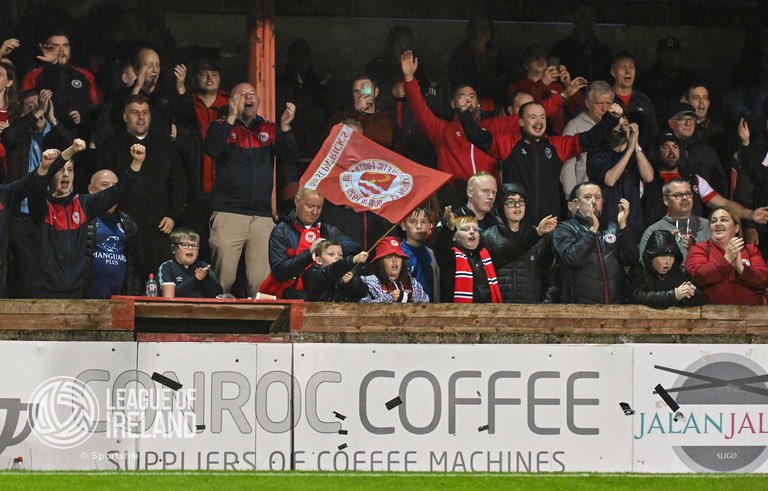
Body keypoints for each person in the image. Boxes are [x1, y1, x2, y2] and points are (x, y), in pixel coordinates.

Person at [400, 50, 583, 205]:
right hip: (455, 199)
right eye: (462, 96)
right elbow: (420, 110)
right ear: (453, 104)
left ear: (478, 104)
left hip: (489, 200)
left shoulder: (493, 127)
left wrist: (563, 95)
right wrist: (409, 79)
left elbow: (530, 116)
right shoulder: (442, 130)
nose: (468, 99)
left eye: (472, 96)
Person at [458, 101, 619, 224]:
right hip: (516, 225)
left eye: (542, 117)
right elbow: (477, 136)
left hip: (550, 223)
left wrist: (611, 119)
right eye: (532, 117)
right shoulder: (507, 143)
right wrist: (464, 114)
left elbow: (590, 139)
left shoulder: (557, 145)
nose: (539, 122)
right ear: (521, 122)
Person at [206, 82, 298, 296]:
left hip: (262, 217)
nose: (248, 97)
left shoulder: (270, 129)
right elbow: (212, 148)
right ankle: (215, 327)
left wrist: (285, 126)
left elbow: (291, 156)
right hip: (229, 213)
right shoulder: (221, 125)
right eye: (242, 94)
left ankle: (259, 329)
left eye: (252, 94)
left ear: (258, 101)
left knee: (261, 284)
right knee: (223, 280)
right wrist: (230, 117)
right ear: (232, 101)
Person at [29, 140, 145, 298]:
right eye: (60, 170)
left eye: (70, 170)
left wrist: (136, 163)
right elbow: (36, 185)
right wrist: (60, 157)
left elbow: (118, 191)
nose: (65, 174)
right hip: (43, 293)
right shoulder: (41, 206)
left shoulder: (83, 204)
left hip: (76, 293)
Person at [97, 94, 187, 280]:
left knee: (158, 282)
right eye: (135, 113)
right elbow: (102, 187)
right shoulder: (110, 147)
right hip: (121, 228)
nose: (141, 117)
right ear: (124, 117)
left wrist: (173, 215)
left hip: (159, 229)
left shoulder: (165, 148)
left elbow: (179, 185)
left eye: (145, 112)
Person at [1, 88, 73, 297]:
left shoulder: (53, 138)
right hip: (17, 213)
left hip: (47, 213)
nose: (37, 109)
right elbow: (7, 136)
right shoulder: (19, 136)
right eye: (30, 106)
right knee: (15, 270)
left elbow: (72, 146)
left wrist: (51, 116)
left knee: (39, 269)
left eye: (41, 104)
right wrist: (37, 111)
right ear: (24, 112)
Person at [264, 188, 360, 300]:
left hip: (323, 293)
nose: (314, 212)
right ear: (297, 201)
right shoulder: (282, 230)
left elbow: (354, 247)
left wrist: (329, 248)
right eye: (310, 206)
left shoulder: (326, 229)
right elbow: (280, 272)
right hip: (291, 293)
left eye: (319, 207)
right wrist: (309, 253)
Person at [553, 182, 639, 304]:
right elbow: (574, 259)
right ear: (576, 204)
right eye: (587, 197)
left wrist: (623, 225)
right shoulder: (565, 229)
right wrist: (593, 229)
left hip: (616, 306)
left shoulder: (612, 227)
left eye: (597, 197)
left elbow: (632, 258)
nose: (593, 201)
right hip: (580, 309)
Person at [481, 183, 559, 303]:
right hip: (497, 310)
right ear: (501, 206)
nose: (517, 206)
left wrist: (546, 306)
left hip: (533, 311)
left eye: (521, 201)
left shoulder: (542, 237)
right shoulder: (487, 237)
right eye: (511, 202)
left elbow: (551, 276)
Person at [685, 206, 768, 305]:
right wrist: (726, 259)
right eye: (713, 221)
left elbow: (763, 280)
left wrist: (742, 269)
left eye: (724, 220)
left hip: (751, 316)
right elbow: (699, 276)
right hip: (710, 316)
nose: (718, 224)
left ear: (736, 227)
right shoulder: (699, 248)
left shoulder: (750, 250)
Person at [20, 30, 101, 131]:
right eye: (56, 46)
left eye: (65, 45)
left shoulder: (85, 75)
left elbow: (95, 108)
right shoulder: (32, 77)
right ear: (45, 49)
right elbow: (26, 110)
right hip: (43, 137)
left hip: (77, 137)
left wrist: (82, 116)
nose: (61, 50)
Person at [587, 116, 654, 235]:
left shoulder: (637, 154)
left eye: (625, 124)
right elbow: (610, 180)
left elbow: (648, 177)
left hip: (633, 223)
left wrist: (636, 144)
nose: (621, 128)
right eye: (617, 124)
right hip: (606, 225)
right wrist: (629, 151)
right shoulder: (597, 152)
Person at [85, 169, 141, 298]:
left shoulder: (128, 223)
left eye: (114, 186)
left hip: (120, 300)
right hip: (86, 299)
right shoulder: (82, 218)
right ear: (91, 189)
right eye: (105, 185)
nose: (111, 190)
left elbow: (136, 267)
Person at [505, 44, 585, 135]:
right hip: (527, 136)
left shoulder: (557, 87)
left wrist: (568, 85)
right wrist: (542, 83)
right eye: (535, 56)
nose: (540, 58)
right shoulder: (515, 87)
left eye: (544, 56)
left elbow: (581, 108)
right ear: (525, 64)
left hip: (556, 138)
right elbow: (529, 109)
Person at [562, 81, 615, 198]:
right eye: (599, 103)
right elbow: (567, 166)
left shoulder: (617, 125)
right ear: (587, 103)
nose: (604, 108)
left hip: (612, 194)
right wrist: (572, 196)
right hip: (586, 196)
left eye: (608, 103)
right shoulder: (574, 125)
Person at [434, 213, 502, 303]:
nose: (472, 232)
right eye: (465, 229)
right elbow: (440, 247)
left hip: (487, 313)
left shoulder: (486, 255)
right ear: (454, 237)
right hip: (458, 314)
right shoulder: (450, 256)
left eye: (476, 230)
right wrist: (449, 228)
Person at [628, 229, 705, 308]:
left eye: (671, 257)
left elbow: (700, 301)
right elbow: (639, 296)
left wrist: (692, 293)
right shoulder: (638, 271)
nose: (668, 262)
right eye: (663, 256)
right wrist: (673, 295)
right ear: (651, 257)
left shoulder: (682, 272)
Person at [665, 102, 727, 197]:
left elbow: (719, 181)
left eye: (691, 119)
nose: (688, 123)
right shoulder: (662, 149)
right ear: (671, 122)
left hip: (703, 207)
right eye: (682, 119)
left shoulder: (705, 150)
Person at [639, 179, 710, 260]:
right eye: (678, 195)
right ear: (666, 200)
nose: (684, 198)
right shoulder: (654, 231)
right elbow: (646, 266)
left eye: (688, 194)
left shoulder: (708, 226)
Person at [157, 229, 223, 298]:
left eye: (195, 246)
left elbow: (219, 294)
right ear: (173, 249)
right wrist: (195, 279)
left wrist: (206, 279)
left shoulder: (203, 267)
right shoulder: (167, 267)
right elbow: (169, 297)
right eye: (185, 245)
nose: (191, 248)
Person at [361, 236, 429, 303]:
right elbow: (361, 306)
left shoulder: (413, 283)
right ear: (380, 261)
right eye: (389, 257)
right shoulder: (369, 283)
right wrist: (389, 298)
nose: (395, 261)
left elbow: (426, 304)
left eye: (398, 257)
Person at [610, 52, 657, 149]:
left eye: (631, 68)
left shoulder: (644, 100)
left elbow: (653, 134)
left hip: (640, 156)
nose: (628, 72)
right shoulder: (606, 100)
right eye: (623, 68)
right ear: (613, 72)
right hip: (612, 157)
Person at [303, 239, 369, 302]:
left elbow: (363, 293)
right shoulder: (313, 273)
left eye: (340, 255)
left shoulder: (345, 273)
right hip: (316, 312)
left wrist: (351, 282)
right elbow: (330, 271)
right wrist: (352, 260)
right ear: (318, 260)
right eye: (331, 254)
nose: (337, 257)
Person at [399, 207, 439, 302]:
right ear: (403, 225)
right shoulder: (398, 254)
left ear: (430, 225)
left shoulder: (431, 254)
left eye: (424, 222)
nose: (419, 226)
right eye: (413, 222)